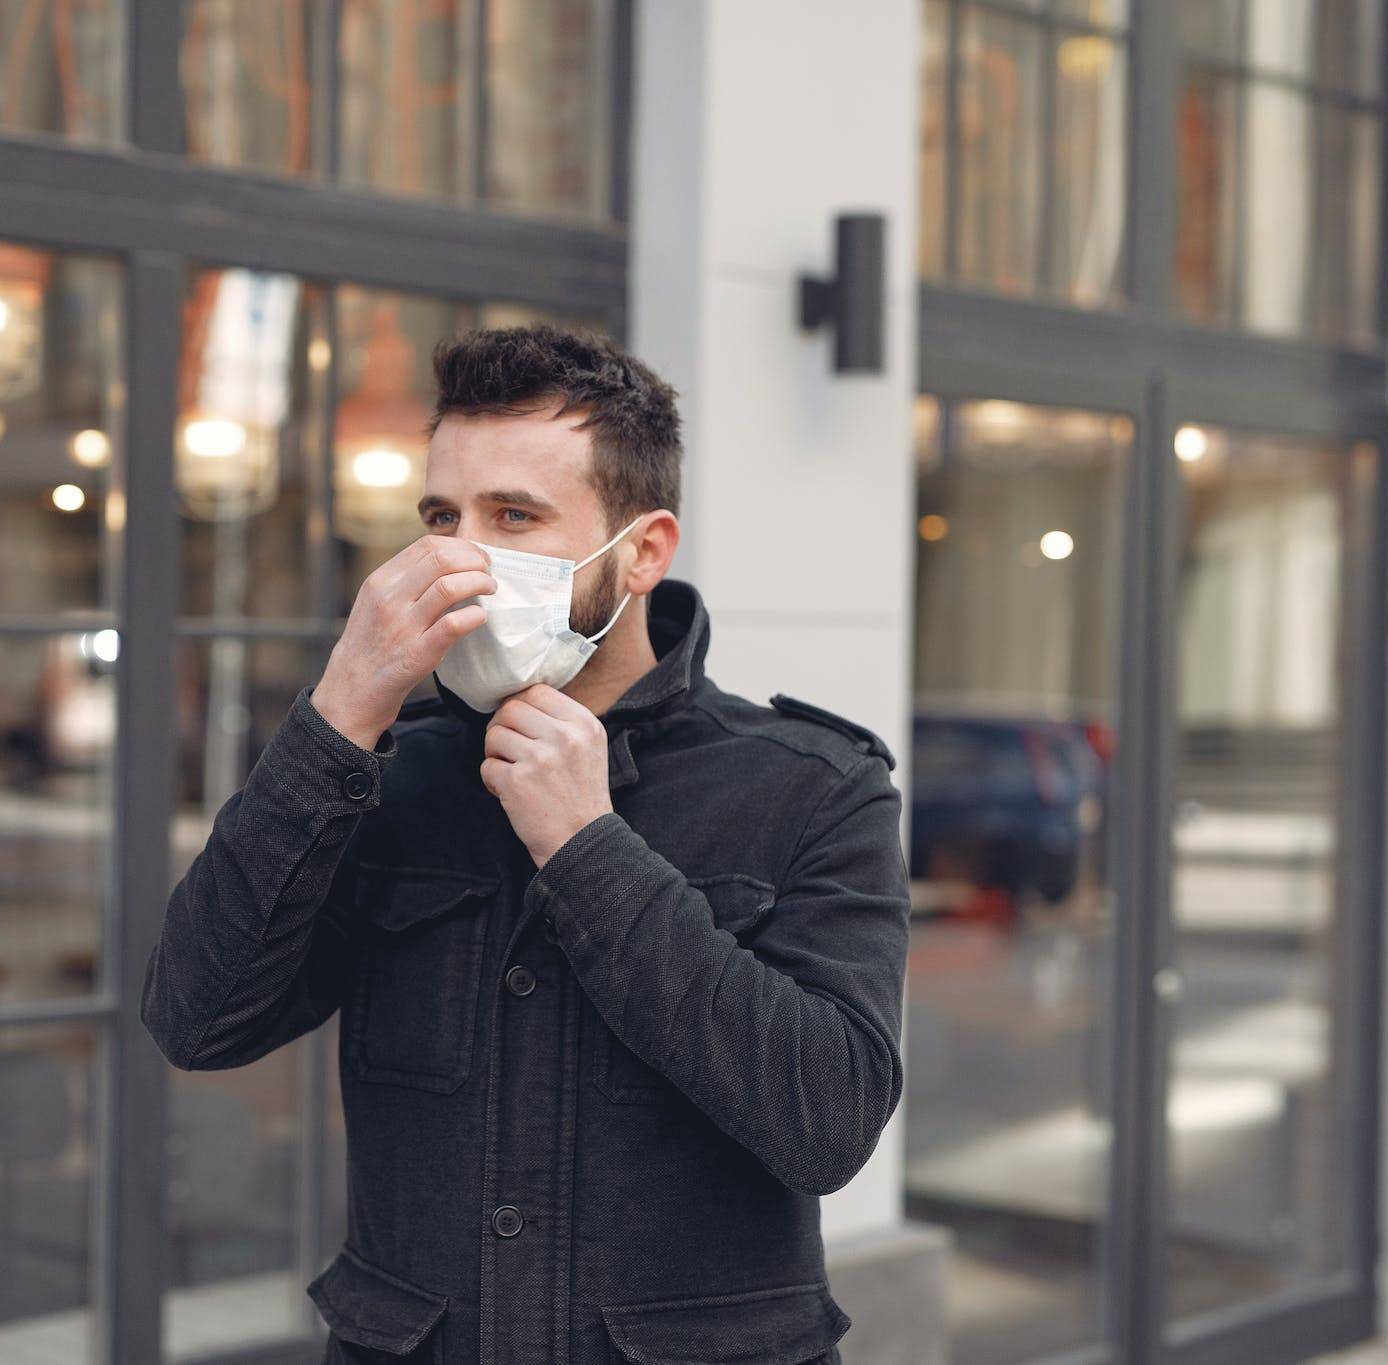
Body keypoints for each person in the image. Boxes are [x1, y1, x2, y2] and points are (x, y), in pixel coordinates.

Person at [143, 323, 910, 1365]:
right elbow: (196, 1017)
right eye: (440, 517)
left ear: (641, 550)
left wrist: (589, 847)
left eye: (513, 516)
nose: (460, 556)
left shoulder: (810, 786)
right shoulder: (385, 768)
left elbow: (828, 1121)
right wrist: (335, 716)